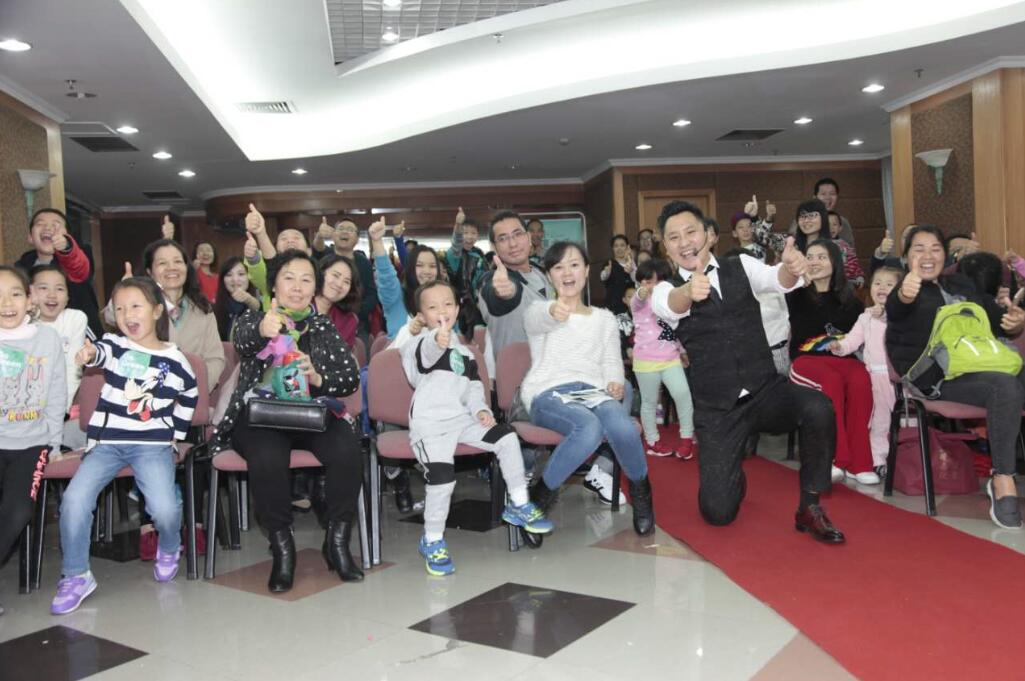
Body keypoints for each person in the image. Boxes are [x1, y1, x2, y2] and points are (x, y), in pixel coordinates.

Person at [650, 200, 845, 543]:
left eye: (691, 232)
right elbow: (672, 305)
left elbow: (776, 279)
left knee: (817, 406)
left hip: (765, 390)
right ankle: (732, 477)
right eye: (674, 237)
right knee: (718, 513)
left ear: (708, 235)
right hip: (717, 409)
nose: (684, 242)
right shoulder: (664, 289)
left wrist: (790, 268)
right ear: (665, 247)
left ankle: (810, 506)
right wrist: (688, 291)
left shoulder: (740, 264)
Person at [210, 250, 365, 591]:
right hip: (261, 417)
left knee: (347, 448)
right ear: (274, 286)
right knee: (267, 456)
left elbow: (349, 378)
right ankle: (283, 549)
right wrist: (264, 329)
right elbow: (243, 341)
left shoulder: (322, 326)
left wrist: (318, 377)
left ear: (314, 289)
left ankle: (337, 542)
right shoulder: (257, 319)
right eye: (289, 278)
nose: (297, 287)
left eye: (306, 280)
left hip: (309, 414)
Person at [51, 277, 196, 614]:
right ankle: (76, 575)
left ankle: (170, 546)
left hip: (153, 445)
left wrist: (176, 433)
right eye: (119, 309)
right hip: (107, 444)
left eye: (135, 306)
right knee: (74, 501)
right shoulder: (116, 346)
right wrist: (90, 352)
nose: (127, 314)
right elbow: (99, 353)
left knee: (164, 509)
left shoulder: (176, 360)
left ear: (156, 311)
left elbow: (190, 394)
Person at [402, 280, 553, 575]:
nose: (441, 311)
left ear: (458, 308)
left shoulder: (466, 353)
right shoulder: (416, 344)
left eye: (447, 304)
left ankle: (518, 504)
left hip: (462, 420)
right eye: (432, 307)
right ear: (421, 315)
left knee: (506, 436)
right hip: (430, 426)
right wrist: (434, 340)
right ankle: (432, 540)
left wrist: (481, 410)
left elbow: (473, 390)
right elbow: (424, 360)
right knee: (442, 480)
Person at [886, 225, 1025, 529]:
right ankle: (1003, 479)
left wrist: (1014, 323)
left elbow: (997, 322)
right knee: (1005, 386)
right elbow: (896, 308)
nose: (928, 255)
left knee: (1009, 382)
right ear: (906, 257)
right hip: (936, 377)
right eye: (919, 249)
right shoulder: (906, 290)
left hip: (978, 365)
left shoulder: (961, 283)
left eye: (935, 249)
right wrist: (905, 292)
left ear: (944, 255)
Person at [521, 241, 656, 536]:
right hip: (549, 392)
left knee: (623, 426)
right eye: (558, 267)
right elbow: (537, 318)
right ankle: (538, 500)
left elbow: (611, 361)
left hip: (593, 392)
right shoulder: (539, 310)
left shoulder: (604, 318)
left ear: (586, 270)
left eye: (574, 265)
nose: (567, 273)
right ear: (549, 275)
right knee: (588, 427)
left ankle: (642, 492)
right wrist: (553, 311)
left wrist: (615, 382)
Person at [0, 266, 65, 617]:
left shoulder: (47, 339)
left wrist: (53, 443)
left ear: (29, 300)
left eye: (14, 294)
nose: (6, 303)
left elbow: (56, 391)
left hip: (31, 444)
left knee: (18, 512)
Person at [786, 240, 877, 485]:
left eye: (821, 257)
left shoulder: (852, 300)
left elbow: (857, 338)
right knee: (831, 381)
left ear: (835, 262)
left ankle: (861, 463)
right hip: (807, 361)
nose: (814, 262)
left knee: (861, 378)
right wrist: (797, 277)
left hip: (843, 358)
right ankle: (833, 458)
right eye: (810, 257)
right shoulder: (794, 295)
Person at [829, 267, 902, 479]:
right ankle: (878, 460)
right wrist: (840, 346)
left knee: (905, 420)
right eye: (877, 283)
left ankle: (903, 460)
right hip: (875, 379)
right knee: (879, 421)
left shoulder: (903, 315)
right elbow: (853, 340)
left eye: (889, 284)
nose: (882, 287)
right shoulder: (865, 317)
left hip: (900, 380)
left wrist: (887, 313)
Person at [632, 258, 695, 459]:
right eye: (647, 281)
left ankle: (687, 439)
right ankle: (652, 441)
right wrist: (641, 293)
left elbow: (675, 330)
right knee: (649, 402)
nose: (652, 286)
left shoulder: (671, 301)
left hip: (670, 358)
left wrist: (682, 351)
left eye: (657, 281)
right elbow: (637, 299)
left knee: (683, 394)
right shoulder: (639, 301)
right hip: (645, 360)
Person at [16, 208, 102, 338]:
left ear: (68, 236)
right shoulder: (20, 270)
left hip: (79, 340)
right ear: (30, 237)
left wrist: (67, 247)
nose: (48, 228)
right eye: (40, 224)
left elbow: (78, 266)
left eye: (56, 224)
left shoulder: (75, 261)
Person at [30, 265, 90, 413]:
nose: (52, 295)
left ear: (68, 297)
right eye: (43, 288)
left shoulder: (75, 319)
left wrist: (64, 409)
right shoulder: (24, 323)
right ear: (29, 294)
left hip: (63, 400)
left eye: (59, 289)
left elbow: (73, 368)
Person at [314, 218, 379, 343]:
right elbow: (317, 249)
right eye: (341, 228)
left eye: (350, 230)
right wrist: (320, 235)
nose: (345, 232)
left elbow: (371, 294)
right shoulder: (324, 255)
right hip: (320, 318)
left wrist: (354, 314)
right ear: (333, 235)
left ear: (357, 239)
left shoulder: (363, 262)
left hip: (357, 322)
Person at [794, 200, 863, 286]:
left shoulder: (836, 247)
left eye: (812, 215)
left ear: (823, 218)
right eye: (802, 216)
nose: (806, 220)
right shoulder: (792, 247)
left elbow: (839, 276)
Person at [445, 208, 488, 333]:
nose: (469, 236)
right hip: (461, 309)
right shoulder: (454, 255)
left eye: (473, 233)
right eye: (465, 232)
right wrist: (458, 225)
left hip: (480, 307)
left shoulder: (479, 254)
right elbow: (456, 244)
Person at [315, 253, 362, 349]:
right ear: (321, 273)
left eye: (346, 282)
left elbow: (344, 356)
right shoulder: (297, 305)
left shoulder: (349, 321)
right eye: (336, 275)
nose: (339, 284)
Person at [213, 256, 262, 341]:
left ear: (249, 277)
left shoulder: (257, 304)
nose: (235, 279)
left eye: (241, 274)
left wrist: (249, 299)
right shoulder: (214, 310)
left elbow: (259, 309)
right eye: (229, 275)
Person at [601, 235, 636, 314]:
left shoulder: (633, 263)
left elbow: (637, 281)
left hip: (631, 307)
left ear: (627, 247)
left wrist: (632, 269)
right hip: (613, 305)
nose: (619, 248)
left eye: (622, 245)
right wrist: (606, 273)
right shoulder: (609, 263)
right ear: (612, 248)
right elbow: (603, 277)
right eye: (616, 246)